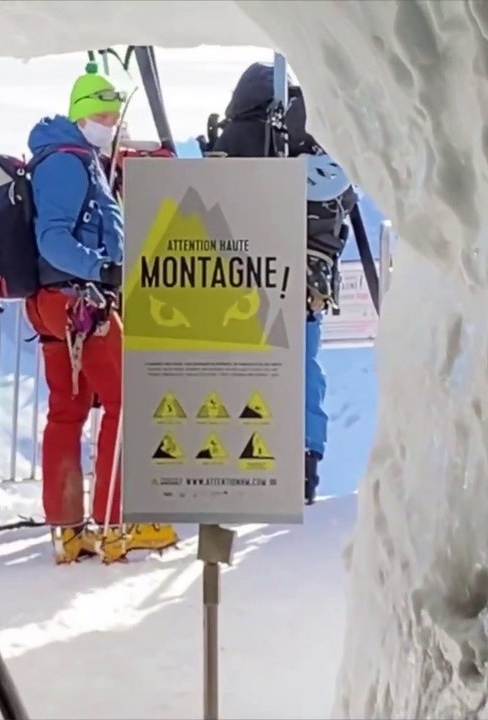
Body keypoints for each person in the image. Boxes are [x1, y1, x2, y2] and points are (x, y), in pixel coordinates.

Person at [24, 66, 179, 565]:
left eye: (113, 113)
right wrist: (105, 270)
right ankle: (119, 524)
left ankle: (68, 531)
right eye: (102, 112)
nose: (110, 122)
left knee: (67, 411)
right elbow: (53, 237)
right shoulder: (69, 162)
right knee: (126, 401)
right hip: (80, 303)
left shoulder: (61, 155)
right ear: (81, 112)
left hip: (55, 306)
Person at [209, 61, 359, 505]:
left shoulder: (232, 138)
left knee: (242, 367)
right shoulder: (308, 134)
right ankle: (304, 464)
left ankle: (237, 463)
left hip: (241, 277)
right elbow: (343, 202)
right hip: (304, 276)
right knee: (302, 367)